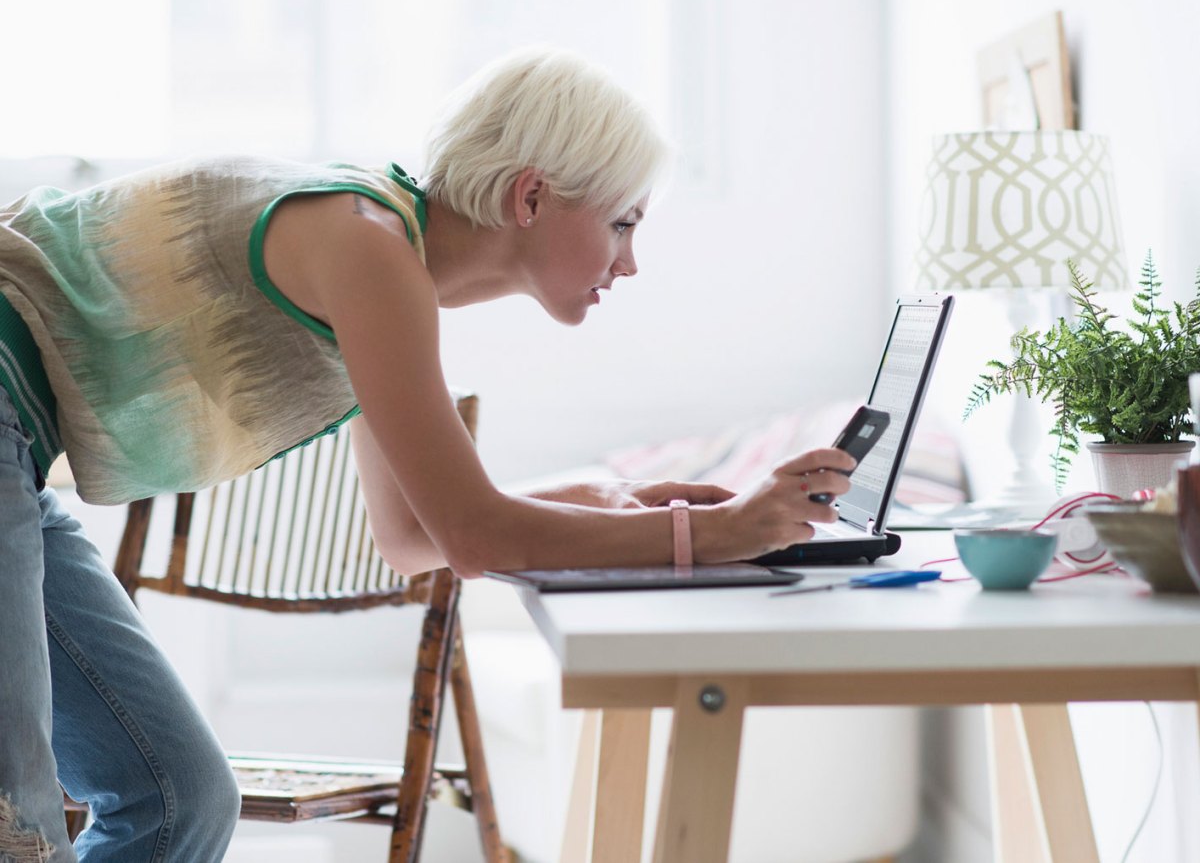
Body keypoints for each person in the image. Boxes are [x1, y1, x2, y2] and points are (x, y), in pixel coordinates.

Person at [0, 48, 855, 862]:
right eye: (622, 223)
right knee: (19, 826)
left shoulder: (383, 257)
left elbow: (414, 535)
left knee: (178, 798)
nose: (630, 262)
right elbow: (477, 538)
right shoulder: (363, 242)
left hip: (19, 453)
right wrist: (716, 533)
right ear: (530, 197)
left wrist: (604, 498)